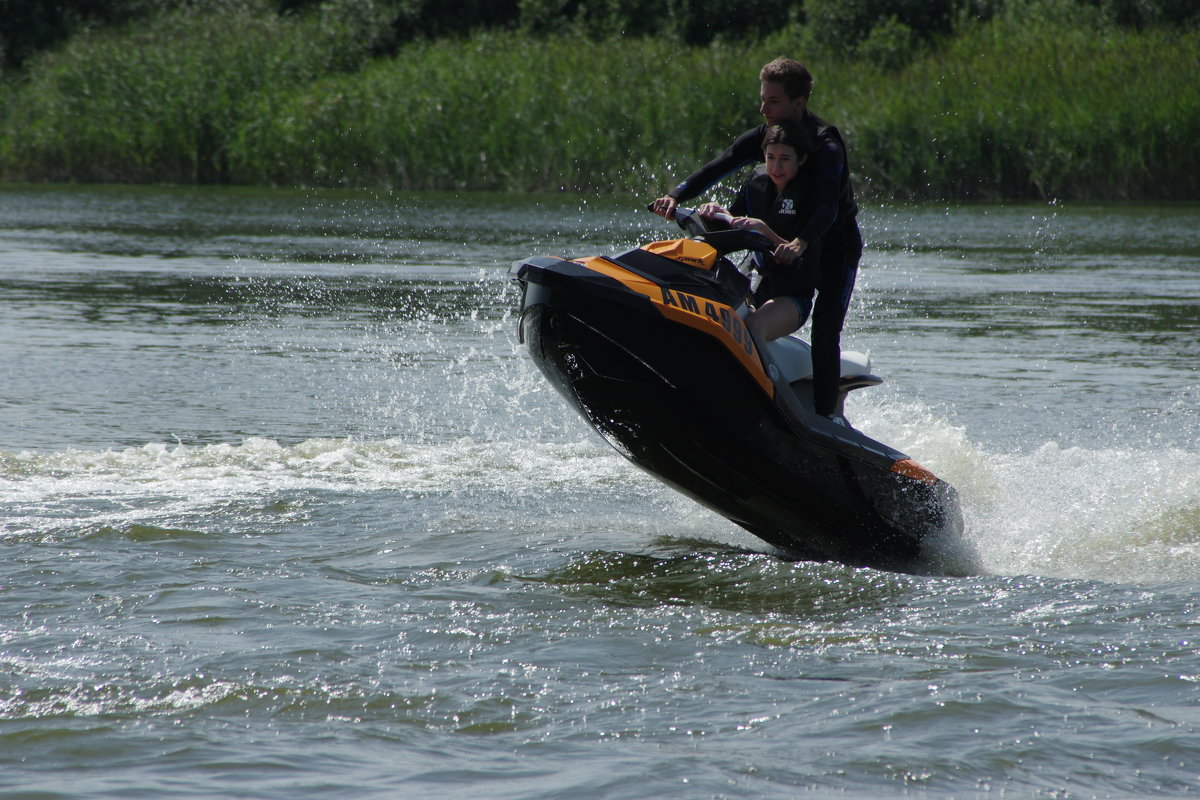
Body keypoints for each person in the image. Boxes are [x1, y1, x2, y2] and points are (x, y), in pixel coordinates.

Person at [651, 57, 862, 423]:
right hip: (785, 240)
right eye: (762, 99)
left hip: (834, 244)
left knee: (826, 331)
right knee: (747, 307)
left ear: (799, 103)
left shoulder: (826, 145)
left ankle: (828, 420)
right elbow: (720, 165)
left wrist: (801, 243)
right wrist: (677, 197)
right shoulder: (767, 137)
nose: (763, 108)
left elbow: (827, 208)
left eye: (773, 101)